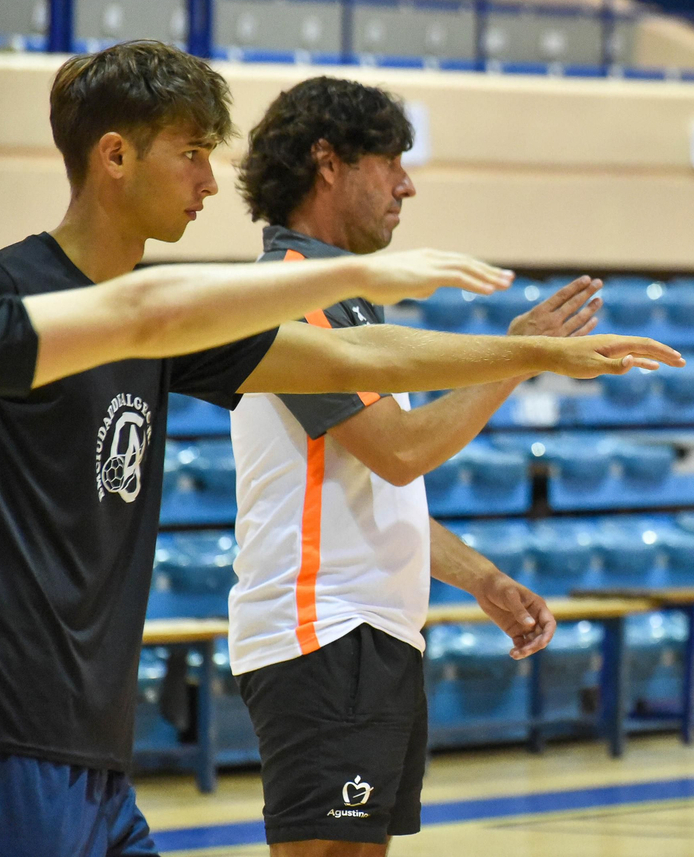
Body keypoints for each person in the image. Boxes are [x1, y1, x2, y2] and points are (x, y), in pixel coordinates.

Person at [0, 40, 682, 857]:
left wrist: (533, 355)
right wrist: (490, 341)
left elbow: (355, 358)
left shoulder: (161, 325)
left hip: (101, 746)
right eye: (191, 154)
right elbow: (377, 429)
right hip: (8, 732)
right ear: (115, 156)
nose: (209, 182)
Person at [224, 77, 601, 853]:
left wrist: (480, 578)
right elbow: (401, 453)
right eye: (391, 161)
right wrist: (521, 355)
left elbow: (371, 490)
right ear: (329, 162)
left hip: (371, 635)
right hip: (323, 636)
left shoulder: (342, 298)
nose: (407, 185)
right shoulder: (291, 292)